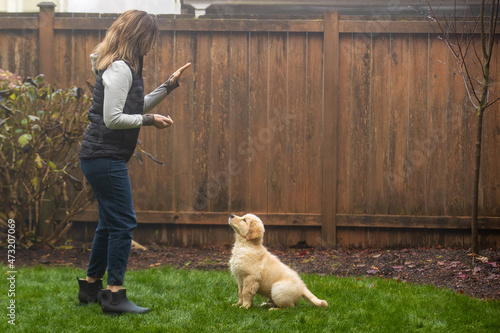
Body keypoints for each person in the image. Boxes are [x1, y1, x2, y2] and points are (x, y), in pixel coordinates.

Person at [77, 9, 191, 315]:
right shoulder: (120, 69)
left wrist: (168, 86)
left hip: (99, 155)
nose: (151, 46)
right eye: (149, 39)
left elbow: (132, 105)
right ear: (138, 37)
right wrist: (150, 120)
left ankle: (90, 287)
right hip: (104, 156)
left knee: (109, 223)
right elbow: (113, 118)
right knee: (124, 222)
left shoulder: (122, 67)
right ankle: (114, 295)